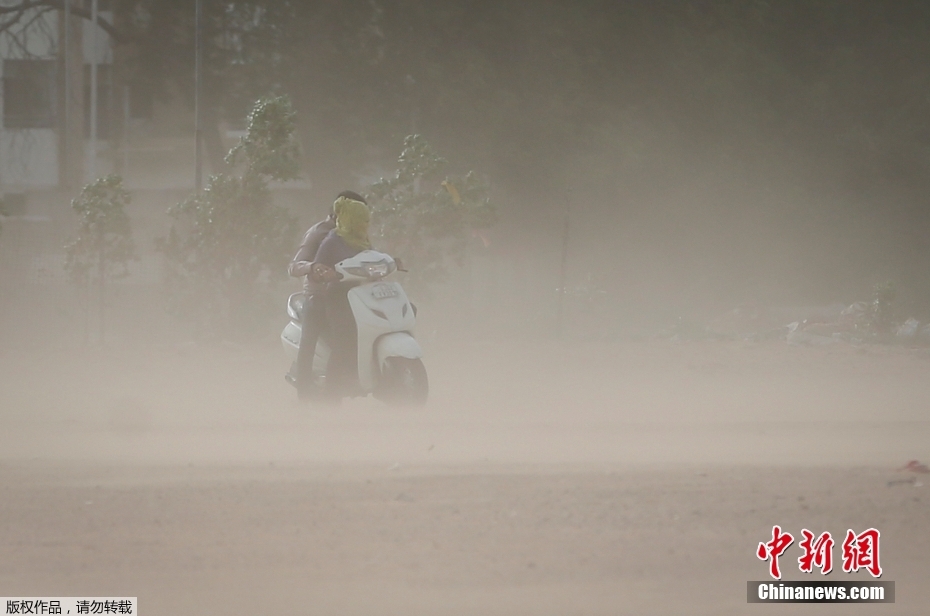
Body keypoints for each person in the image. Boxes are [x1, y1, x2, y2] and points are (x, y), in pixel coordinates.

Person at [287, 190, 365, 400]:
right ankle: (304, 394)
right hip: (319, 296)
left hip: (349, 295)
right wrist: (314, 267)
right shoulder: (319, 234)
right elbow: (294, 266)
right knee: (310, 341)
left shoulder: (354, 234)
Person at [310, 193, 372, 399]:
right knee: (344, 338)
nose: (366, 224)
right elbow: (318, 269)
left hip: (361, 294)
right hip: (338, 297)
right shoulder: (331, 241)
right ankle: (332, 391)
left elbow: (372, 259)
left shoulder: (362, 241)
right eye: (362, 219)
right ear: (351, 219)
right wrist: (324, 273)